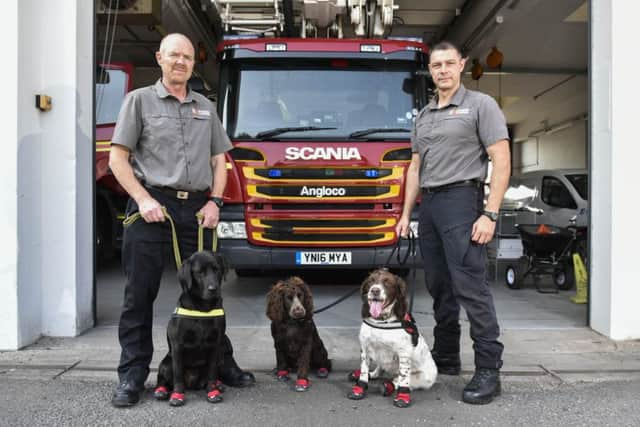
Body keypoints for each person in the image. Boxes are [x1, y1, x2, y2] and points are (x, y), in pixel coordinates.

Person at [109, 33, 255, 408]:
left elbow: (219, 160)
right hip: (150, 207)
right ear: (160, 57)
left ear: (194, 62)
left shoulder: (205, 106)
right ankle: (133, 373)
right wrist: (142, 199)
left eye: (187, 57)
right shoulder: (138, 101)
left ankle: (222, 363)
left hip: (197, 211)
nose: (180, 62)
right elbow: (118, 159)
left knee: (210, 292)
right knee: (139, 295)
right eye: (174, 55)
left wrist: (216, 202)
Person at [396, 41, 510, 405]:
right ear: (430, 71)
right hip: (430, 206)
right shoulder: (424, 115)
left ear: (462, 65)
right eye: (435, 65)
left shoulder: (480, 105)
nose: (442, 70)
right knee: (439, 285)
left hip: (463, 201)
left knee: (470, 286)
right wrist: (404, 214)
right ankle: (447, 355)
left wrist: (490, 213)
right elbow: (415, 168)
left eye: (448, 63)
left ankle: (489, 370)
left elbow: (501, 160)